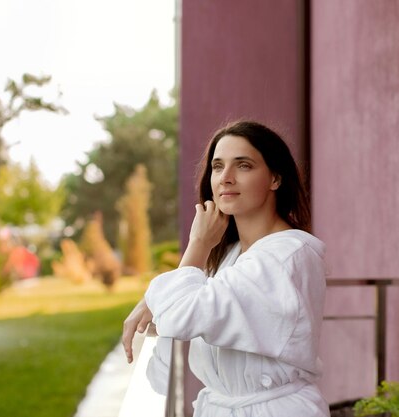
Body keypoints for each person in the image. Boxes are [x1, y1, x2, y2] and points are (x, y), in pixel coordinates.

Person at [122, 120, 329, 417]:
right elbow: (173, 334)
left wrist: (198, 243)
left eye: (243, 166)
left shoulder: (286, 256)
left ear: (275, 178)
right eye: (218, 167)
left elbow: (180, 316)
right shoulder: (231, 256)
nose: (225, 178)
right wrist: (154, 301)